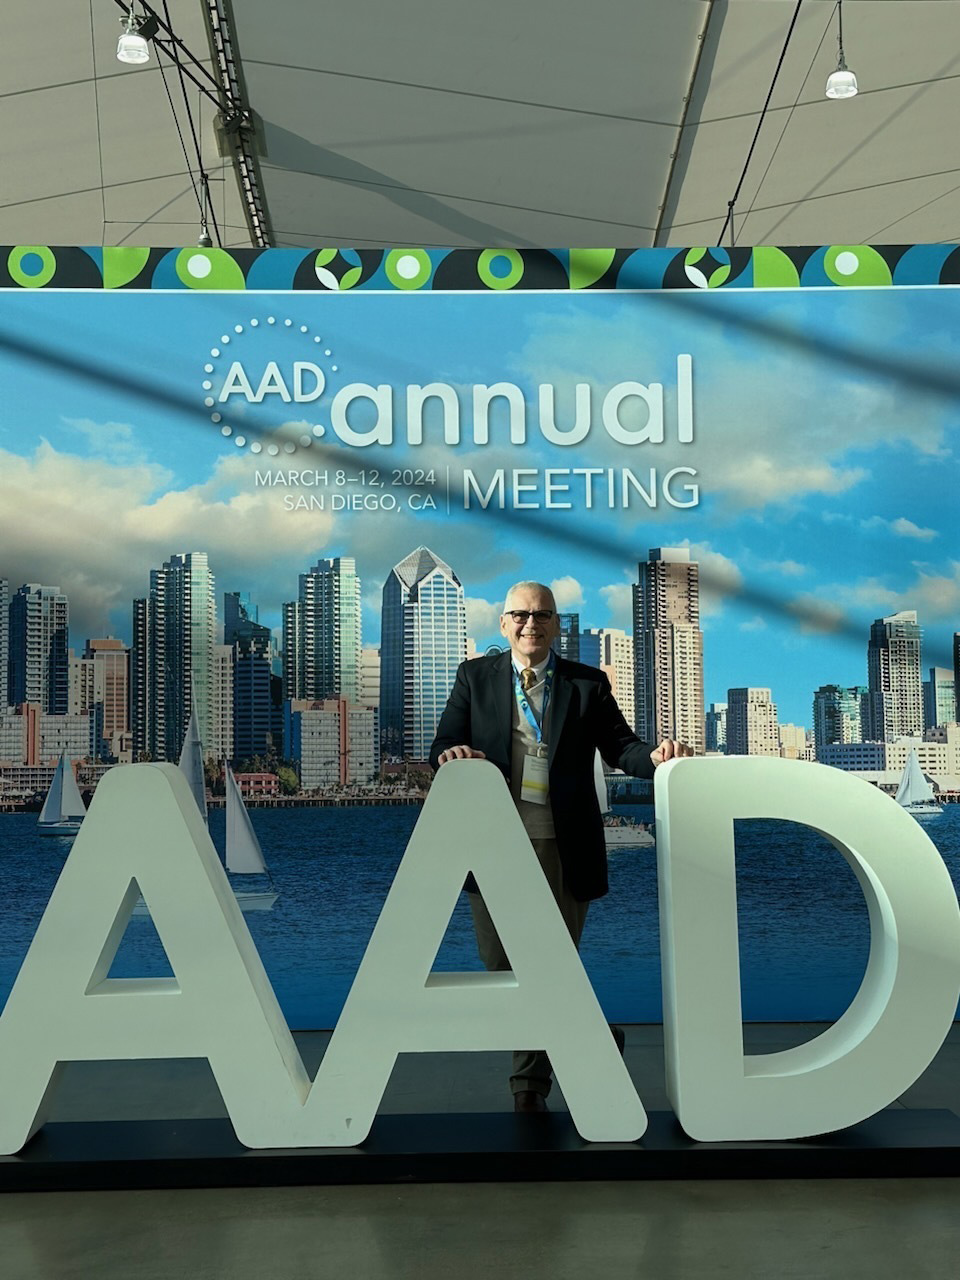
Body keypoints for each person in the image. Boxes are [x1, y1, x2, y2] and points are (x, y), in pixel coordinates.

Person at [429, 580, 693, 1112]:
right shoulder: (474, 677)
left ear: (556, 625)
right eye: (521, 615)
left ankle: (528, 1086)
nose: (531, 624)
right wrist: (450, 753)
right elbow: (444, 741)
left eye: (542, 615)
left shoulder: (586, 684)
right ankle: (594, 1033)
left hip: (563, 844)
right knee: (500, 963)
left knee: (554, 963)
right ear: (503, 624)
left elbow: (622, 748)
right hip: (492, 842)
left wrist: (656, 757)